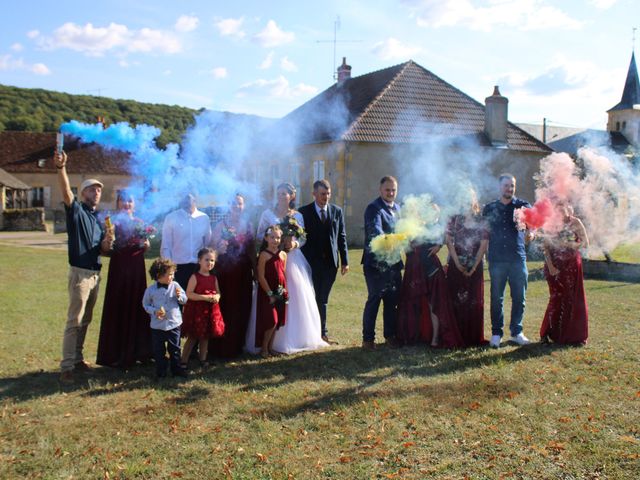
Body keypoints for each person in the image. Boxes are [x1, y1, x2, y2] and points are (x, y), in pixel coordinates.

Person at [54, 149, 114, 383]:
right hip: (80, 273)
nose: (97, 192)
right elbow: (65, 191)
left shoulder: (99, 220)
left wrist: (108, 244)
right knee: (74, 320)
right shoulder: (76, 210)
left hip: (95, 274)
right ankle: (67, 366)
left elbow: (102, 251)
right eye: (92, 189)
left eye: (99, 189)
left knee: (86, 319)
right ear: (82, 193)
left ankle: (78, 359)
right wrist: (61, 168)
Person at [252, 182, 329, 354]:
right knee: (272, 293)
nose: (281, 196)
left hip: (292, 259)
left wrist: (293, 243)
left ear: (292, 196)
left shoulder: (297, 216)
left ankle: (294, 337)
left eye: (284, 194)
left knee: (295, 296)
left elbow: (303, 238)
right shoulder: (267, 214)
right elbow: (259, 236)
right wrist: (271, 245)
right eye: (278, 193)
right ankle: (267, 341)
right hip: (272, 259)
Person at [96, 190, 153, 369]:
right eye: (123, 201)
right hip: (119, 269)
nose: (126, 204)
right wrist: (107, 240)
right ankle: (115, 353)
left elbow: (145, 246)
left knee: (137, 306)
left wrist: (147, 245)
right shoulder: (111, 223)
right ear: (117, 203)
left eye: (130, 201)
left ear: (134, 204)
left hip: (136, 270)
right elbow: (105, 248)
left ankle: (139, 352)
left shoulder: (140, 223)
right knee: (118, 307)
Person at [482, 174, 535, 348]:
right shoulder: (489, 208)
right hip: (496, 260)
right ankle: (496, 333)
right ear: (500, 187)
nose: (509, 189)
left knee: (519, 297)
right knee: (497, 298)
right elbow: (484, 234)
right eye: (506, 186)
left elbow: (532, 227)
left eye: (512, 186)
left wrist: (531, 234)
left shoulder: (523, 206)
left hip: (518, 258)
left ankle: (516, 332)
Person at [299, 179, 349, 343]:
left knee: (323, 298)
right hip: (310, 264)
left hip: (330, 264)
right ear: (314, 194)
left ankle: (322, 333)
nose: (325, 197)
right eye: (322, 194)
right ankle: (312, 332)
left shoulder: (337, 211)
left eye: (328, 194)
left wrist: (345, 260)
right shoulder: (303, 212)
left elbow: (341, 236)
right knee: (311, 298)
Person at [208, 194, 255, 359]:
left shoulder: (248, 224)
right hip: (226, 272)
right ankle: (223, 346)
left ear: (244, 206)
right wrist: (219, 248)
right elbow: (212, 249)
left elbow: (251, 249)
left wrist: (255, 269)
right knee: (227, 307)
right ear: (229, 205)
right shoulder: (220, 225)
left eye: (240, 204)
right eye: (234, 204)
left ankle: (239, 344)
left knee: (242, 307)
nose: (237, 206)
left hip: (243, 271)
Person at [361, 176, 403, 349]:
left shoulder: (398, 208)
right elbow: (375, 233)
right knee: (375, 300)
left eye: (393, 190)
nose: (391, 193)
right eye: (387, 190)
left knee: (392, 301)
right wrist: (399, 238)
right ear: (380, 190)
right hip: (376, 265)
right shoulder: (373, 208)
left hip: (394, 263)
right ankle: (368, 340)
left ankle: (390, 336)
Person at [540, 205, 589, 345]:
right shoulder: (550, 223)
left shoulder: (576, 223)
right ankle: (548, 334)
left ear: (569, 209)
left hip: (572, 265)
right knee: (556, 298)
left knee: (573, 299)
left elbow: (585, 243)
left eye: (564, 208)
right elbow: (546, 247)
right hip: (554, 265)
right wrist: (550, 267)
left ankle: (574, 336)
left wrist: (568, 244)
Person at [445, 194, 489, 347]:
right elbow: (448, 241)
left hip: (475, 267)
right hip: (455, 266)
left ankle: (472, 338)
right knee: (456, 301)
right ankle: (457, 337)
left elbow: (484, 245)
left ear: (473, 201)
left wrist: (474, 266)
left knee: (473, 302)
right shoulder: (454, 219)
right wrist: (457, 263)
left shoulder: (481, 220)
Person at [142, 258, 188, 379]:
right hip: (157, 326)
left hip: (174, 324)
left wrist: (180, 297)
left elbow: (185, 299)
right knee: (159, 351)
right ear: (158, 275)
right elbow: (145, 305)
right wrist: (154, 311)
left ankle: (176, 370)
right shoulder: (150, 290)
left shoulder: (175, 285)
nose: (172, 277)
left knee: (175, 349)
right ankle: (161, 371)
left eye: (173, 274)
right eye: (169, 275)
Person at [180, 248, 224, 369]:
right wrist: (205, 297)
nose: (209, 263)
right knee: (193, 337)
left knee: (206, 336)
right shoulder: (195, 277)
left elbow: (218, 292)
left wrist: (217, 297)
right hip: (197, 311)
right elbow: (189, 293)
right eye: (206, 260)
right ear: (199, 261)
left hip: (210, 311)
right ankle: (183, 361)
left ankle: (203, 359)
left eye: (212, 260)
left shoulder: (213, 278)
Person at [160, 194, 211, 289]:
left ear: (195, 199)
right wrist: (169, 269)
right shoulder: (171, 218)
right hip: (178, 268)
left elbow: (207, 244)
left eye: (188, 198)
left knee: (197, 301)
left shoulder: (204, 218)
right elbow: (166, 246)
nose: (185, 201)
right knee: (178, 301)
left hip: (198, 268)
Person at [255, 225, 288, 357]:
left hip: (280, 291)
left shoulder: (283, 254)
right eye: (272, 237)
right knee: (271, 320)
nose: (275, 240)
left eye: (278, 238)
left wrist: (284, 291)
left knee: (277, 321)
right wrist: (269, 293)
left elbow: (283, 273)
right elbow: (261, 276)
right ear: (266, 238)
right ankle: (263, 349)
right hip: (267, 292)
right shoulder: (263, 255)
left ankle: (270, 348)